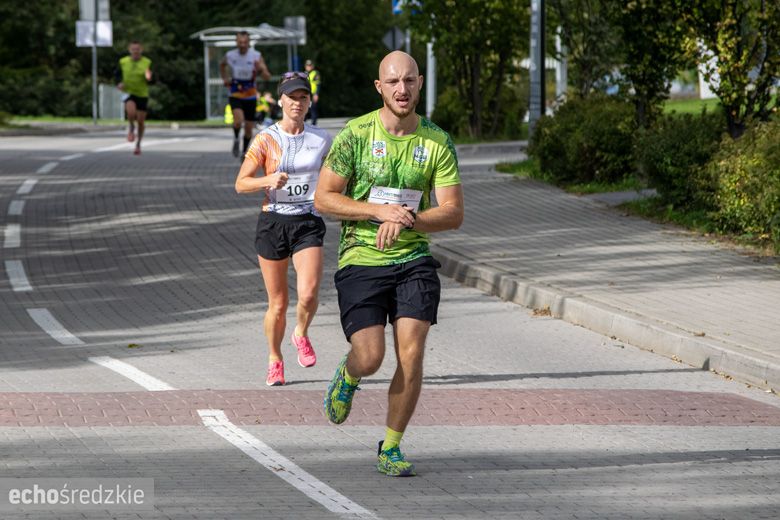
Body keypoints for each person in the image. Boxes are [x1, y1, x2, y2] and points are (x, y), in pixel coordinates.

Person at [314, 51, 464, 476]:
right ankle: (349, 374)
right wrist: (378, 211)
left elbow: (453, 212)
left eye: (410, 81)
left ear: (420, 84)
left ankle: (391, 447)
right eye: (393, 82)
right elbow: (324, 198)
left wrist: (409, 218)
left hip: (413, 259)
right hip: (361, 258)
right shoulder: (356, 134)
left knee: (412, 354)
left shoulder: (436, 141)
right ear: (379, 87)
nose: (403, 89)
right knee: (371, 356)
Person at [235, 72, 333, 386]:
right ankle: (274, 358)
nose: (297, 103)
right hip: (273, 222)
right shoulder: (265, 138)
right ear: (281, 100)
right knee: (278, 303)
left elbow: (337, 177)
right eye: (292, 97)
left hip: (307, 221)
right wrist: (267, 180)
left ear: (309, 102)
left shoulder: (322, 139)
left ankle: (301, 332)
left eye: (303, 97)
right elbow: (241, 183)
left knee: (308, 293)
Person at [220, 31, 271, 158]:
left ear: (248, 43)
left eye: (245, 42)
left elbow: (267, 77)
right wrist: (225, 78)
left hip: (250, 94)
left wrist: (261, 69)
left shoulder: (256, 56)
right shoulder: (230, 55)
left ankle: (244, 151)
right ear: (236, 42)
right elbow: (222, 65)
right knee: (238, 121)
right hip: (235, 92)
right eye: (240, 42)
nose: (242, 45)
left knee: (249, 128)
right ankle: (237, 138)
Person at [116, 41, 152, 155]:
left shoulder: (147, 62)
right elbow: (116, 74)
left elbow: (152, 77)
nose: (135, 51)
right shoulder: (123, 61)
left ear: (141, 50)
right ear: (129, 50)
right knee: (131, 113)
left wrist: (149, 77)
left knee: (141, 122)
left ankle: (138, 145)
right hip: (129, 92)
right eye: (133, 49)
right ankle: (131, 127)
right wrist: (119, 83)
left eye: (137, 49)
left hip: (142, 94)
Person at [304, 59, 321, 125]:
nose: (309, 67)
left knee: (313, 109)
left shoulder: (315, 73)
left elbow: (318, 84)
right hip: (306, 94)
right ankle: (303, 124)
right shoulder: (304, 74)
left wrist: (316, 94)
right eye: (307, 65)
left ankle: (314, 125)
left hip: (313, 94)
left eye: (310, 65)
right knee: (305, 109)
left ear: (313, 66)